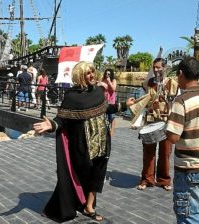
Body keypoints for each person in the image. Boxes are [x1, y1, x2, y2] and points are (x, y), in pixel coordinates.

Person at [33, 61, 128, 223]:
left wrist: (125, 105)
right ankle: (70, 203)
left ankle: (89, 207)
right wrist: (51, 125)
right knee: (78, 176)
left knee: (98, 175)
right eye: (88, 73)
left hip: (102, 142)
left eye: (92, 72)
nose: (92, 75)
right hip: (82, 145)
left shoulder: (98, 91)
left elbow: (107, 108)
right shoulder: (71, 96)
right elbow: (62, 119)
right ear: (80, 76)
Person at [166, 57, 199, 224]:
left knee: (189, 216)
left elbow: (173, 137)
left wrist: (167, 125)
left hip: (189, 169)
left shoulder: (181, 101)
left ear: (181, 73)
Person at [133, 57, 178, 191]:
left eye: (159, 67)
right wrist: (138, 120)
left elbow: (177, 103)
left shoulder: (173, 83)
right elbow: (141, 103)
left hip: (166, 121)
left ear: (165, 68)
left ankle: (164, 180)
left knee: (165, 152)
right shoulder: (148, 83)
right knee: (148, 152)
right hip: (151, 120)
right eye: (154, 67)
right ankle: (147, 179)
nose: (156, 70)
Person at [98, 68, 117, 136]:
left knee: (111, 116)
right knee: (104, 115)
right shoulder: (103, 80)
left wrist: (109, 82)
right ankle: (105, 130)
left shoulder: (113, 80)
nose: (107, 75)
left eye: (108, 74)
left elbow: (113, 89)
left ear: (111, 74)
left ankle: (112, 131)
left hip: (111, 100)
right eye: (106, 73)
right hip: (104, 100)